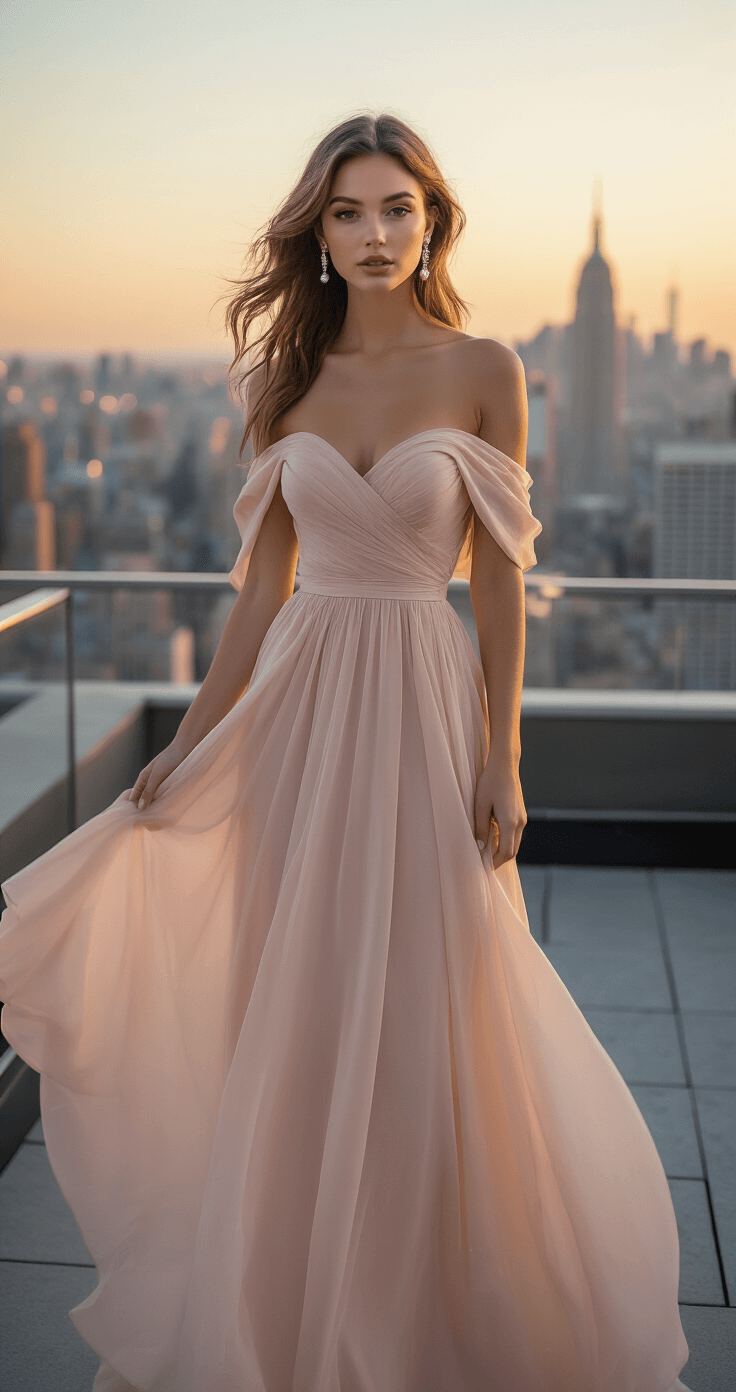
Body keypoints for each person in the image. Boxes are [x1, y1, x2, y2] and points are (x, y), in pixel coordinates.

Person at [0, 114, 693, 1392]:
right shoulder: (283, 384)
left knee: (438, 988)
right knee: (300, 989)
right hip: (299, 718)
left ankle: (426, 1289)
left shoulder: (486, 368)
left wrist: (503, 757)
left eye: (396, 209)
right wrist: (189, 744)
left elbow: (498, 584)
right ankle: (293, 1290)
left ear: (432, 221)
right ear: (316, 233)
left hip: (422, 704)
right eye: (347, 212)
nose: (374, 235)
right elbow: (261, 596)